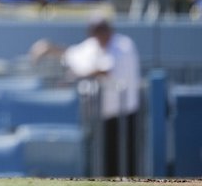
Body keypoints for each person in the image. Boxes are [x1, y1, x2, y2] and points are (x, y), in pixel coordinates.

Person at [29, 13, 141, 176]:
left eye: (102, 29)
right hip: (102, 118)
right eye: (95, 30)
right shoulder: (93, 45)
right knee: (105, 164)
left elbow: (105, 70)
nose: (100, 34)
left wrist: (76, 75)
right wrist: (48, 48)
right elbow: (73, 54)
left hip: (125, 116)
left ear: (109, 29)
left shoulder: (124, 45)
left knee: (126, 164)